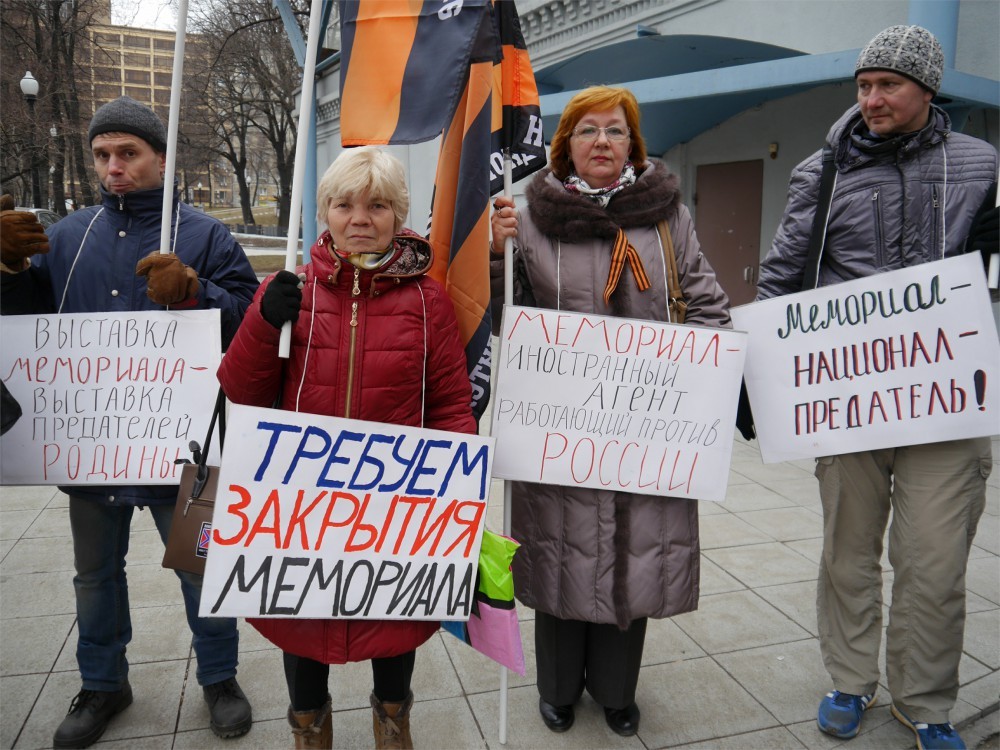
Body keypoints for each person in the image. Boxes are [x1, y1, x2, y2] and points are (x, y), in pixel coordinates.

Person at [756, 25, 997, 750]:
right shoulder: (820, 171)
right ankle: (850, 681)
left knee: (935, 561)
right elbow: (784, 270)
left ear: (927, 88)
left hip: (946, 401)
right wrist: (758, 367)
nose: (872, 98)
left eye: (888, 84)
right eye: (863, 85)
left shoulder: (981, 165)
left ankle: (925, 701)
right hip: (850, 398)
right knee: (848, 552)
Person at [0, 96, 259, 748]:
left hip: (191, 443)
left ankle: (220, 678)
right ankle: (102, 683)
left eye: (128, 153)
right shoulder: (65, 236)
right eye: (102, 155)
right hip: (90, 444)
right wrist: (5, 268)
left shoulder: (202, 233)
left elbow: (255, 322)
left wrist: (197, 288)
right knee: (94, 574)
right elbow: (22, 324)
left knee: (202, 566)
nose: (113, 167)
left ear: (160, 158)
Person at [489, 85, 731, 737]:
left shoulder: (667, 216)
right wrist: (493, 254)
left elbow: (707, 303)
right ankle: (559, 690)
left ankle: (618, 692)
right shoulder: (528, 216)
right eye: (589, 130)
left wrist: (696, 382)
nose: (603, 142)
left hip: (646, 431)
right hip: (560, 434)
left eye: (617, 131)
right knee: (563, 554)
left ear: (634, 144)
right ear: (564, 144)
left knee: (633, 557)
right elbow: (502, 318)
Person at [218, 146, 477, 750]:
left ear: (398, 214)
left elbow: (449, 403)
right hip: (303, 501)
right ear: (325, 211)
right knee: (302, 626)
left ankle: (393, 723)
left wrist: (457, 491)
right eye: (344, 204)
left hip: (396, 498)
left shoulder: (427, 299)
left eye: (377, 205)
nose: (360, 217)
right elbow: (241, 388)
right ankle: (310, 730)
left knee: (396, 624)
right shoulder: (291, 289)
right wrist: (262, 322)